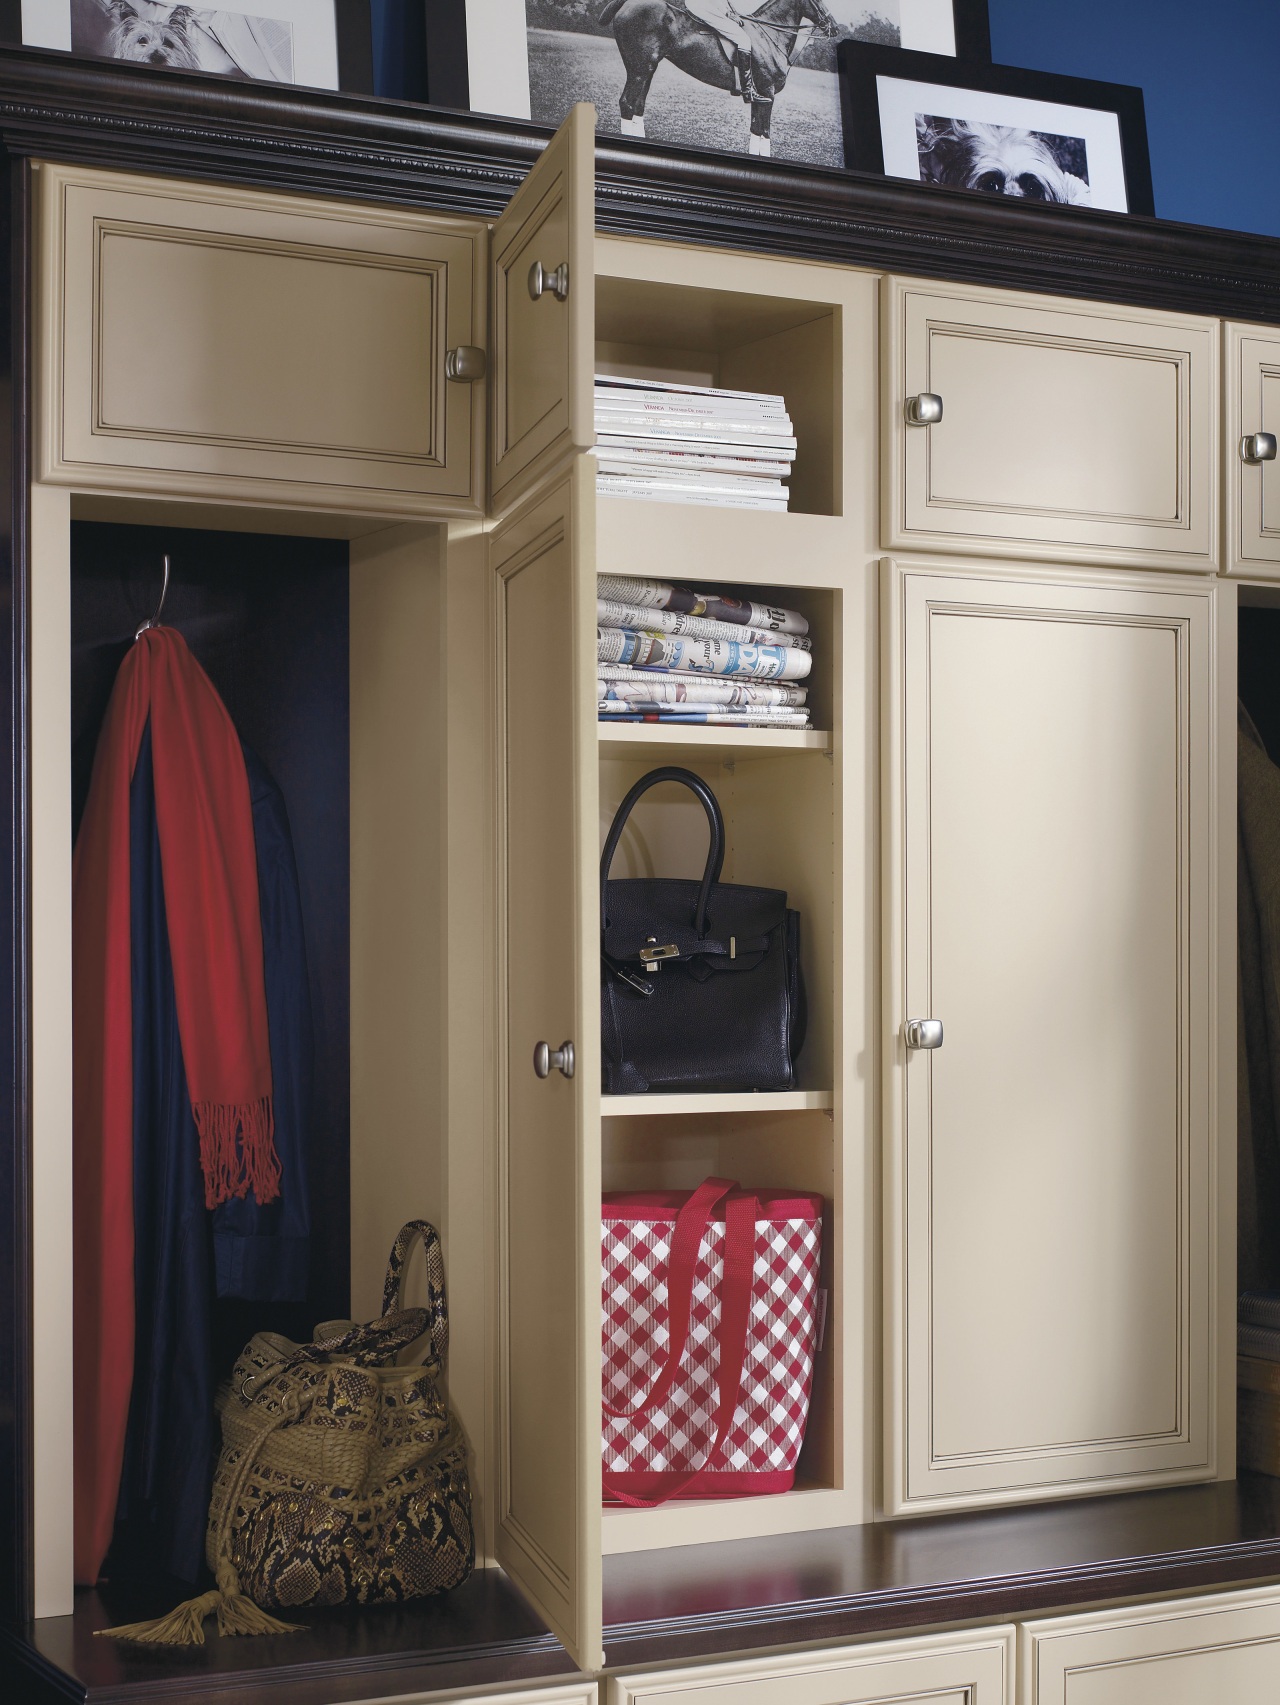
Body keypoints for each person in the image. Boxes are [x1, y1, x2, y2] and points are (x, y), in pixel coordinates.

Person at [682, 0, 760, 100]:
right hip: (702, 5)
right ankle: (747, 90)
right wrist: (728, 13)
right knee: (743, 39)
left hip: (702, 4)